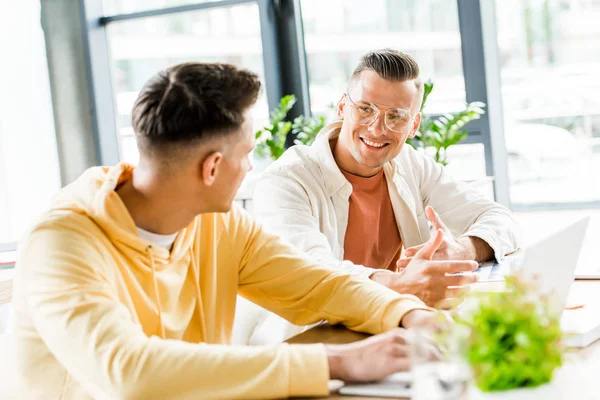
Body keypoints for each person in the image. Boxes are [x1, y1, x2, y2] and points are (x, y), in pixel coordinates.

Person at [11, 62, 444, 400]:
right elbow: (132, 373)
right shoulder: (62, 244)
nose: (251, 167)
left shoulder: (217, 223)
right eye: (248, 153)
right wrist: (336, 362)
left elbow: (318, 284)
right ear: (213, 167)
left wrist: (410, 314)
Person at [241, 48, 520, 345]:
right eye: (365, 109)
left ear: (413, 125)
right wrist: (401, 285)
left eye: (396, 116)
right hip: (309, 343)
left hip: (391, 331)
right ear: (341, 108)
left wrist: (461, 250)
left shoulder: (412, 165)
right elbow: (310, 272)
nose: (377, 128)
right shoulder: (286, 180)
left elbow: (499, 219)